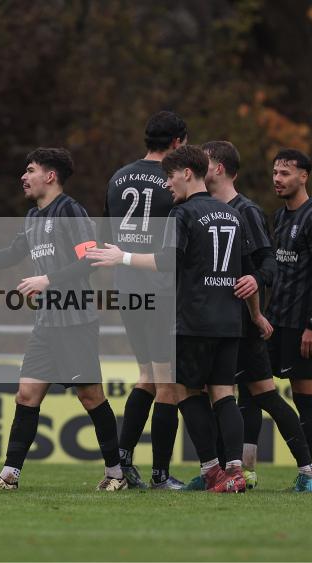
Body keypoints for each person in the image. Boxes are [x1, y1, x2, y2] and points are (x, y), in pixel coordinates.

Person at [0, 148, 127, 491]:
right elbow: (13, 253)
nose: (24, 176)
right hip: (46, 324)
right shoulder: (33, 217)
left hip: (75, 321)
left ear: (50, 176)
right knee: (26, 394)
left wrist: (48, 281)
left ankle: (117, 475)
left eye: (30, 170)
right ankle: (9, 476)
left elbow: (91, 260)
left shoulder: (71, 211)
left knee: (90, 397)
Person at [89, 145, 261, 493]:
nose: (166, 184)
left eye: (170, 176)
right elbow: (247, 271)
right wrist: (254, 314)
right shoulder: (232, 214)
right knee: (225, 394)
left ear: (187, 173)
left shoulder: (181, 215)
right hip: (229, 320)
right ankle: (235, 472)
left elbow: (167, 262)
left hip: (193, 318)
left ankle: (213, 470)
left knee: (182, 391)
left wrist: (123, 257)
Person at [202, 141, 312, 492]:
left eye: (204, 162)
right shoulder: (202, 209)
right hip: (211, 323)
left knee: (262, 395)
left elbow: (267, 265)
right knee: (219, 397)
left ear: (219, 168)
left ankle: (308, 471)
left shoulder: (247, 212)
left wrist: (256, 301)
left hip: (241, 325)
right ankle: (224, 470)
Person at [102, 111, 187, 490]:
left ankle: (121, 462)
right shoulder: (173, 181)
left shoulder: (118, 177)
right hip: (161, 288)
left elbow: (109, 234)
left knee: (147, 378)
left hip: (126, 286)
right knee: (167, 384)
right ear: (177, 143)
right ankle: (160, 476)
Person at [266, 148, 312, 483]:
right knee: (252, 391)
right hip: (273, 322)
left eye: (285, 173)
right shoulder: (280, 217)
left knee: (306, 400)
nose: (277, 179)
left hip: (300, 327)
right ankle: (245, 469)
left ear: (303, 176)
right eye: (275, 172)